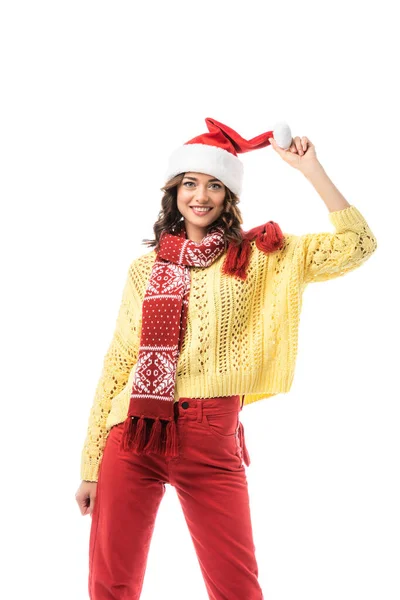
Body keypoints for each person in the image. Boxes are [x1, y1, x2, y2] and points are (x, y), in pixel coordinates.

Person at [75, 117, 377, 600]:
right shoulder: (145, 269)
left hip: (209, 436)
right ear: (174, 192)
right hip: (130, 432)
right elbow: (118, 362)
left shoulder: (260, 255)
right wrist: (91, 464)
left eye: (214, 185)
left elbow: (358, 245)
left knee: (236, 587)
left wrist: (310, 169)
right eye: (190, 183)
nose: (201, 195)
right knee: (110, 584)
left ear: (228, 197)